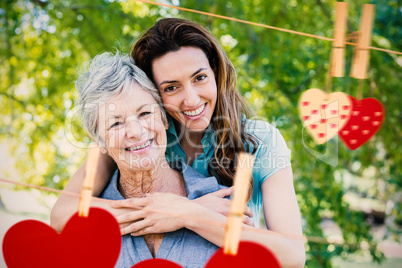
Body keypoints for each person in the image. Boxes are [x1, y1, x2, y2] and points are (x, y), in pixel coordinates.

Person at [51, 18, 305, 267]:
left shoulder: (261, 140)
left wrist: (187, 213)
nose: (192, 100)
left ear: (216, 73)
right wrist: (159, 211)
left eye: (200, 78)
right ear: (154, 94)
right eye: (171, 88)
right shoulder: (142, 135)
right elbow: (64, 214)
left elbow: (292, 254)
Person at [71, 51, 227, 267]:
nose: (135, 132)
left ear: (163, 118)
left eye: (145, 113)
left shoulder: (219, 203)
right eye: (116, 124)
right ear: (99, 140)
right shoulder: (80, 224)